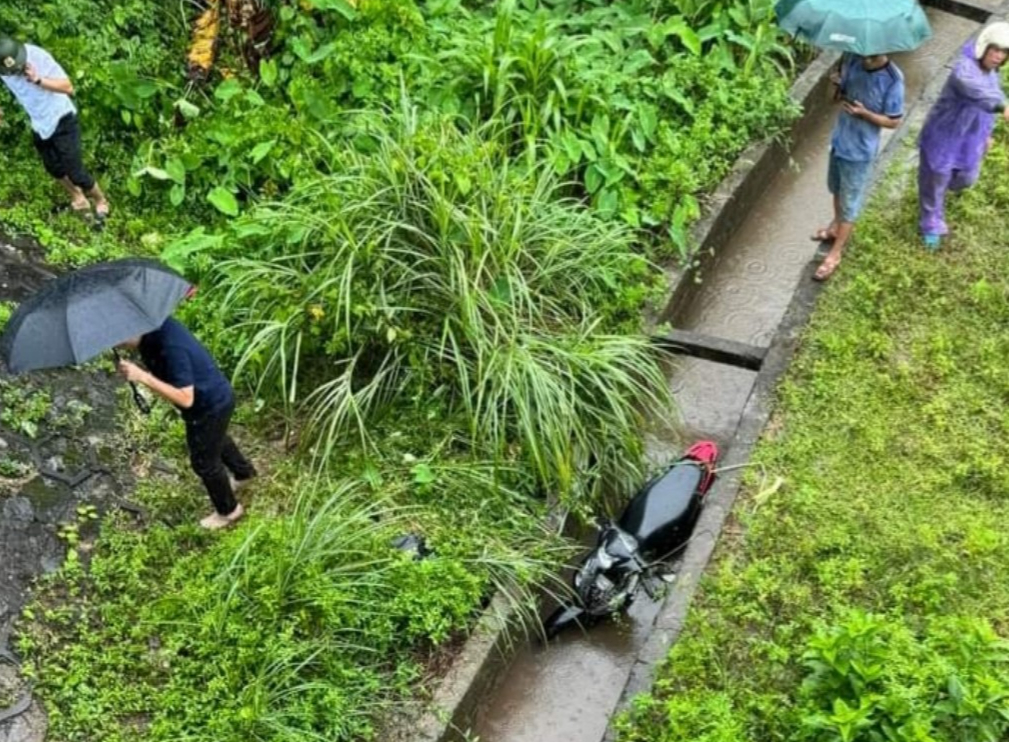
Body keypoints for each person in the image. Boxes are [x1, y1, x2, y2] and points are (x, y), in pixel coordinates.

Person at [117, 318, 256, 529]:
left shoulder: (169, 346)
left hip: (209, 404)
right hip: (213, 397)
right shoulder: (154, 330)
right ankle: (244, 473)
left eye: (118, 338)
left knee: (204, 462)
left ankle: (229, 511)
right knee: (217, 438)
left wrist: (142, 377)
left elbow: (185, 398)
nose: (116, 344)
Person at [811, 53, 905, 281]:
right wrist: (833, 85)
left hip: (860, 152)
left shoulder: (893, 80)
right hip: (839, 141)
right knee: (836, 189)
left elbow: (894, 120)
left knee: (850, 202)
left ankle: (835, 253)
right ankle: (835, 227)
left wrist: (866, 114)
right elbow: (834, 99)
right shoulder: (852, 60)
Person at [918, 23, 1009, 250]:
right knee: (936, 177)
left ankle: (936, 194)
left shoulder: (992, 74)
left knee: (966, 178)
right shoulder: (964, 69)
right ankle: (931, 224)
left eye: (1004, 52)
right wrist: (1002, 106)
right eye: (994, 50)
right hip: (944, 134)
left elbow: (990, 98)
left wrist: (986, 134)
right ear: (983, 47)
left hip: (970, 138)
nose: (998, 56)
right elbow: (978, 91)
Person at [0, 37, 110, 222]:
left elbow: (68, 87)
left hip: (62, 118)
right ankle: (78, 199)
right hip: (39, 122)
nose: (15, 72)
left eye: (17, 67)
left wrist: (38, 79)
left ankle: (101, 201)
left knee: (76, 172)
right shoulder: (2, 66)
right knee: (53, 167)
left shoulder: (38, 56)